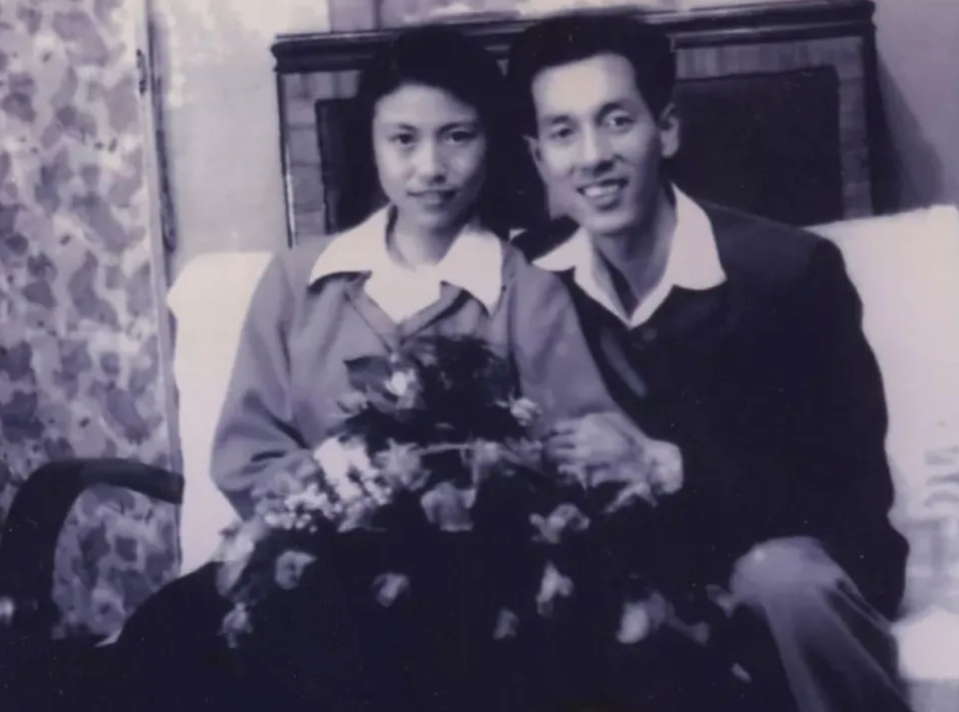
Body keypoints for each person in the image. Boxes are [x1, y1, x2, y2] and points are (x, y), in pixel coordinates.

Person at [107, 25, 677, 712]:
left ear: (492, 143)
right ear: (372, 144)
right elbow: (248, 451)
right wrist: (337, 489)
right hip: (311, 563)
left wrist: (475, 488)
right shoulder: (297, 281)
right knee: (166, 637)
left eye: (457, 137)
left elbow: (580, 448)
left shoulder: (527, 290)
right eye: (403, 139)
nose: (430, 167)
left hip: (472, 579)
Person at [508, 13, 914, 712]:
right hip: (637, 572)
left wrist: (667, 466)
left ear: (665, 129)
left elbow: (849, 496)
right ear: (539, 157)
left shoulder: (790, 273)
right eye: (563, 132)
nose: (592, 157)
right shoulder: (528, 279)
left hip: (790, 568)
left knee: (780, 579)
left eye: (616, 121)